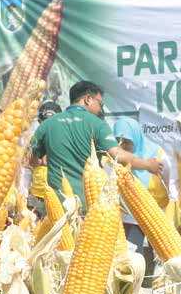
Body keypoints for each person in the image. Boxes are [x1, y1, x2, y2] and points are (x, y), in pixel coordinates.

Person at [30, 81, 163, 207]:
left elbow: (32, 160)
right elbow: (117, 155)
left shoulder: (47, 125)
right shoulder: (97, 124)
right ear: (88, 99)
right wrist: (147, 165)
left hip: (56, 205)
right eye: (100, 103)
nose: (101, 109)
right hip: (87, 204)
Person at [113, 117, 172, 255]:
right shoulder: (116, 159)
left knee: (162, 255)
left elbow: (168, 179)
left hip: (157, 212)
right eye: (118, 142)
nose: (122, 147)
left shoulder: (157, 154)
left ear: (136, 137)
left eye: (127, 142)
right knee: (132, 255)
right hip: (130, 215)